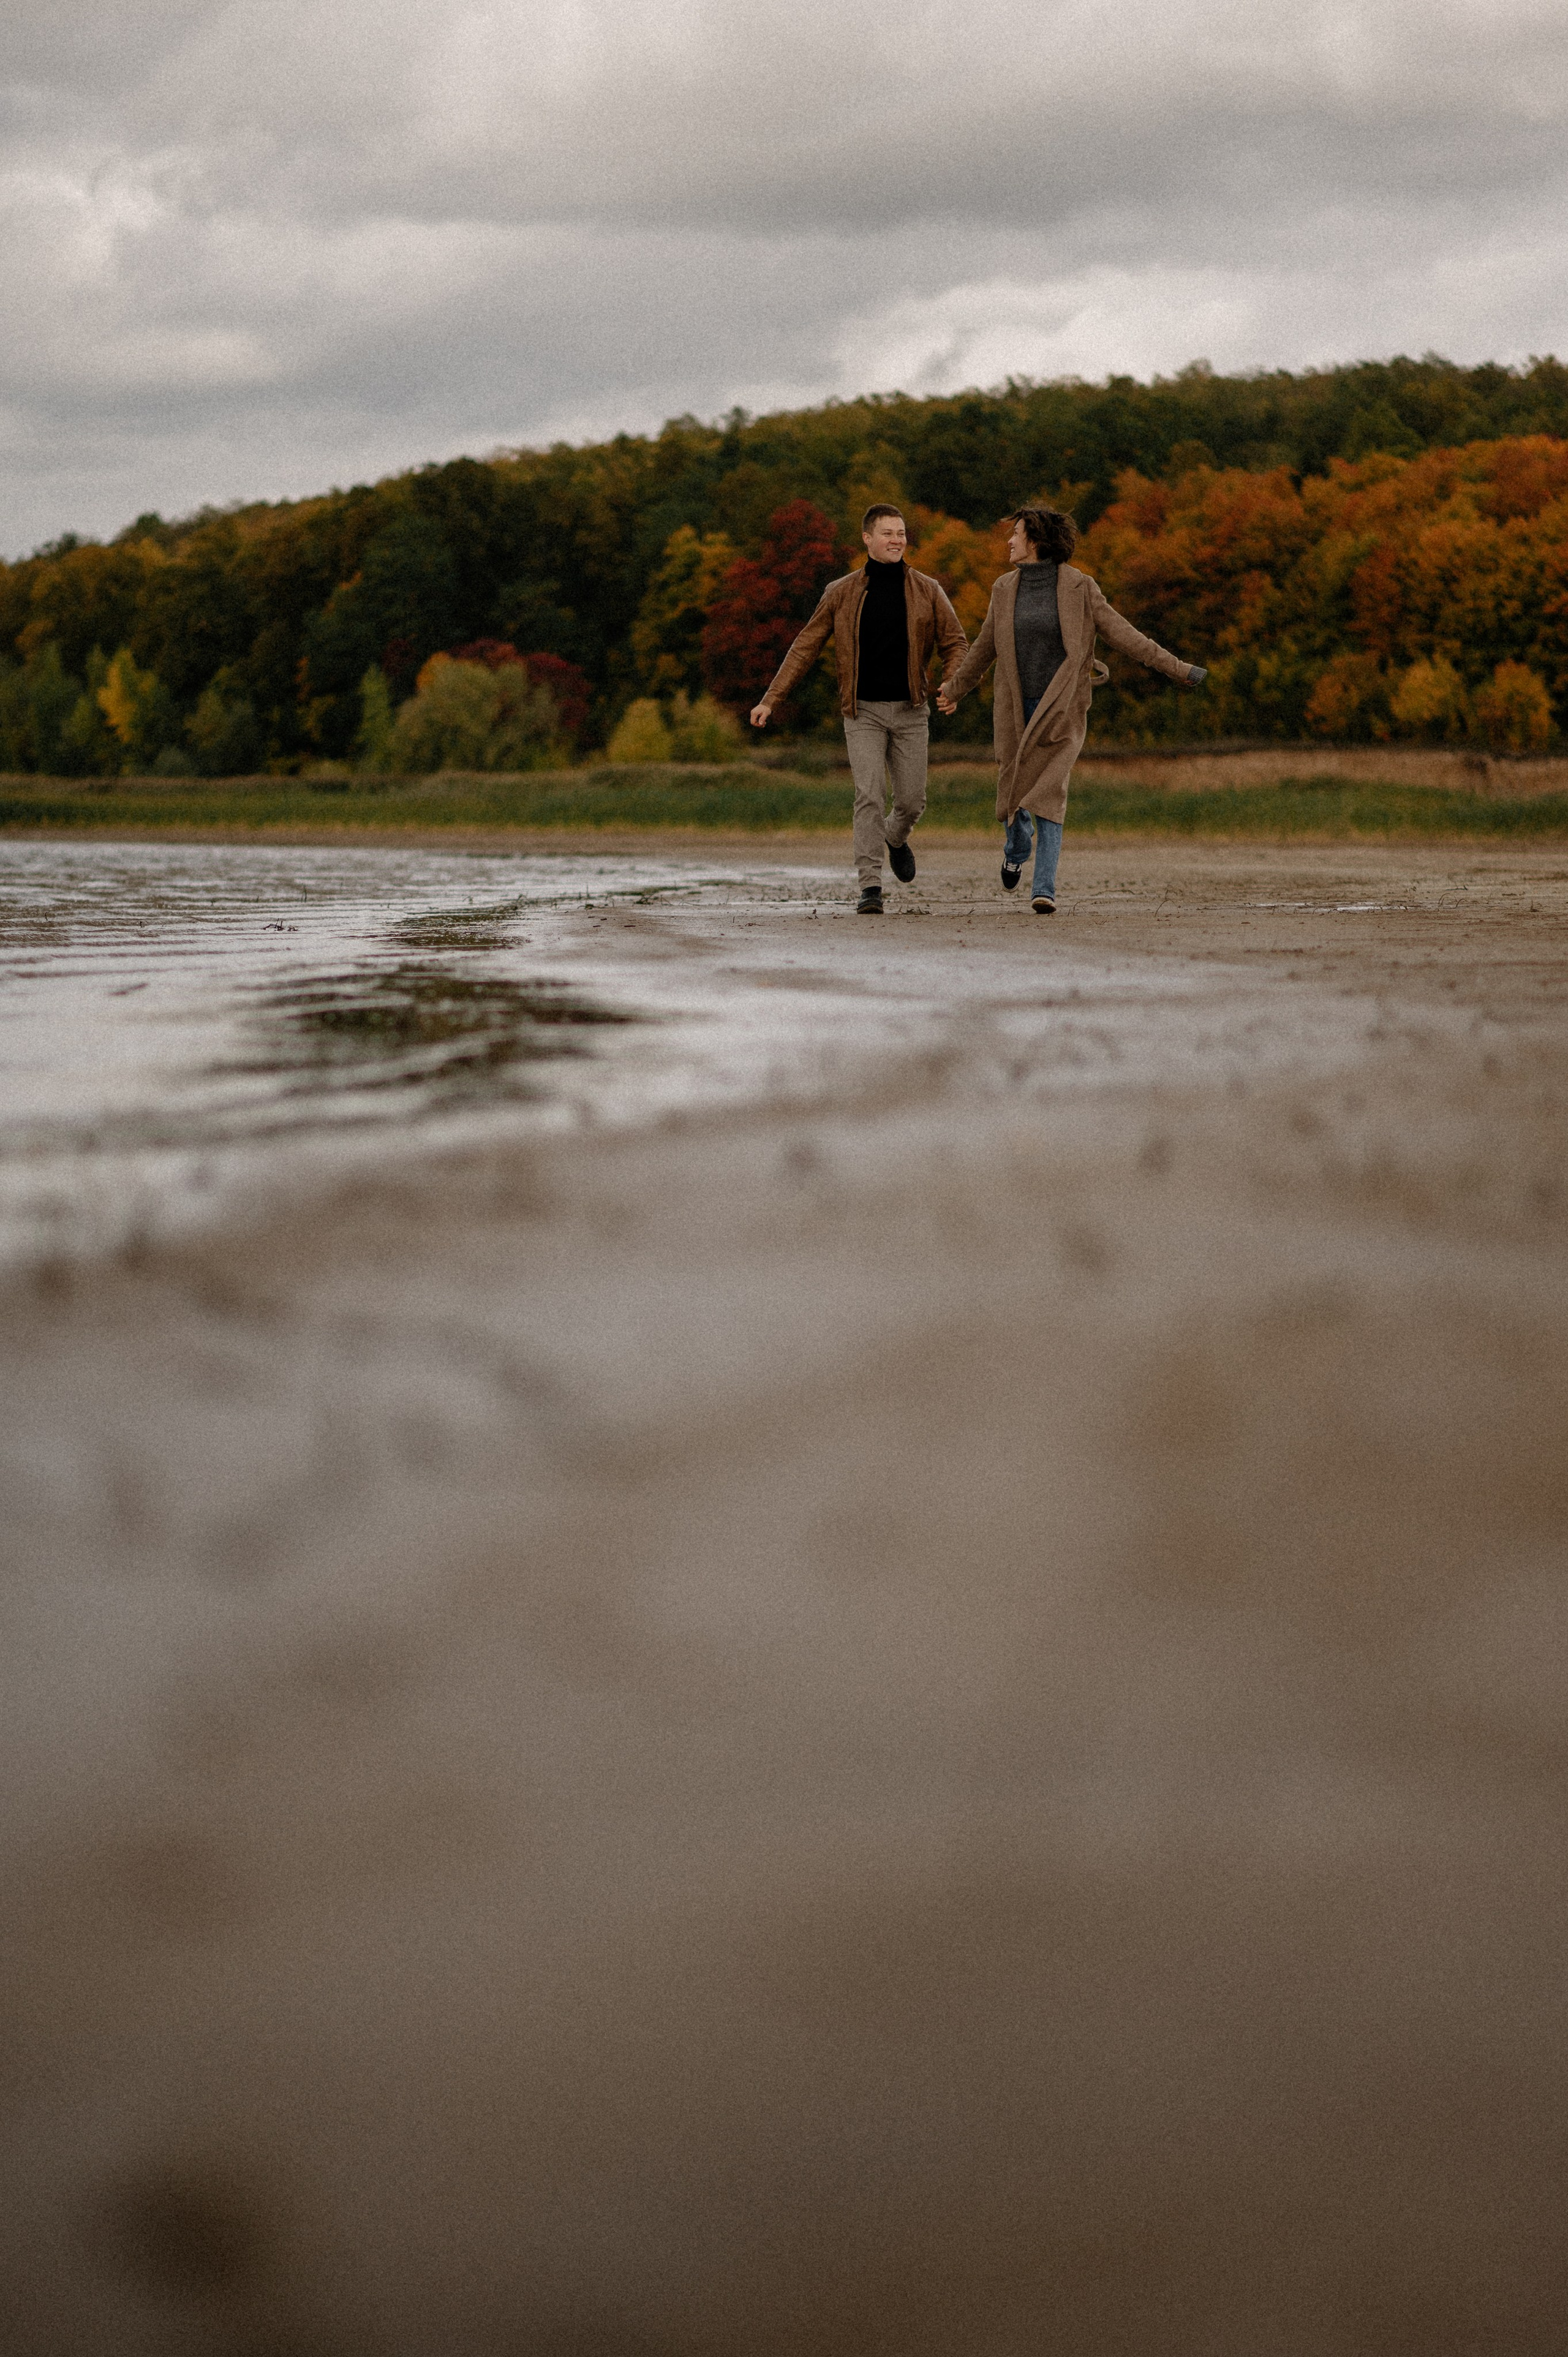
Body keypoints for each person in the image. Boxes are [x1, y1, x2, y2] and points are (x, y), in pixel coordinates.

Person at [938, 507, 1207, 913]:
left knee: (1050, 792)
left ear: (1037, 542)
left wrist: (1179, 669)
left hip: (1061, 708)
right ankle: (1015, 847)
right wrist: (955, 688)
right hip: (1015, 709)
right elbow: (983, 648)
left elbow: (1125, 635)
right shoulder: (1003, 589)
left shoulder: (1081, 587)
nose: (1009, 541)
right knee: (1013, 796)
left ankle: (1043, 889)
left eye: (1016, 534)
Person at [751, 506, 968, 914]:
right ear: (867, 539)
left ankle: (896, 838)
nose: (897, 540)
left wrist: (952, 685)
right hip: (862, 711)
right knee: (868, 795)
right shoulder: (841, 592)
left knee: (911, 801)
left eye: (901, 533)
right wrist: (771, 699)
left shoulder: (928, 589)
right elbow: (805, 645)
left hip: (911, 711)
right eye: (888, 533)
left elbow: (956, 643)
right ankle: (870, 887)